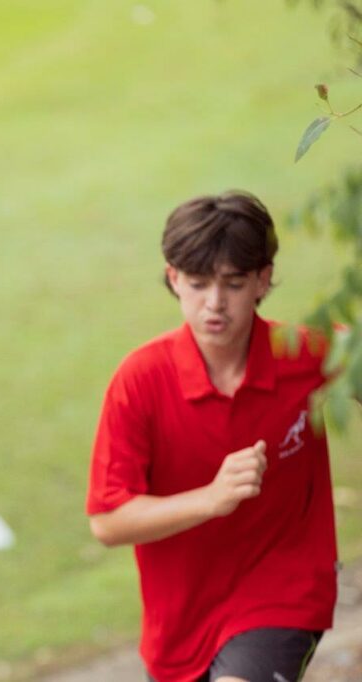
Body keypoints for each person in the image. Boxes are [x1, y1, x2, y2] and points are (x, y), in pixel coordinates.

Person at [86, 191, 337, 682]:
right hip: (178, 628)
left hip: (284, 593)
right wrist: (210, 499)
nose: (215, 303)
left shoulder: (305, 354)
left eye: (233, 284)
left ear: (262, 279)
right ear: (173, 279)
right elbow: (108, 521)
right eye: (198, 284)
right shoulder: (139, 381)